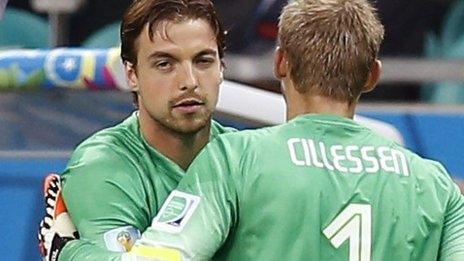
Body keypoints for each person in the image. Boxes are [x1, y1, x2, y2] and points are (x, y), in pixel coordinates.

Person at [125, 0, 464, 260]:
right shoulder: (435, 185)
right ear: (372, 75)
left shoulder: (236, 159)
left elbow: (164, 254)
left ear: (280, 62)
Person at [38, 0, 233, 260]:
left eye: (203, 61)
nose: (189, 82)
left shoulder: (244, 156)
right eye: (165, 64)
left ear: (221, 68)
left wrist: (68, 251)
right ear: (132, 74)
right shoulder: (101, 166)